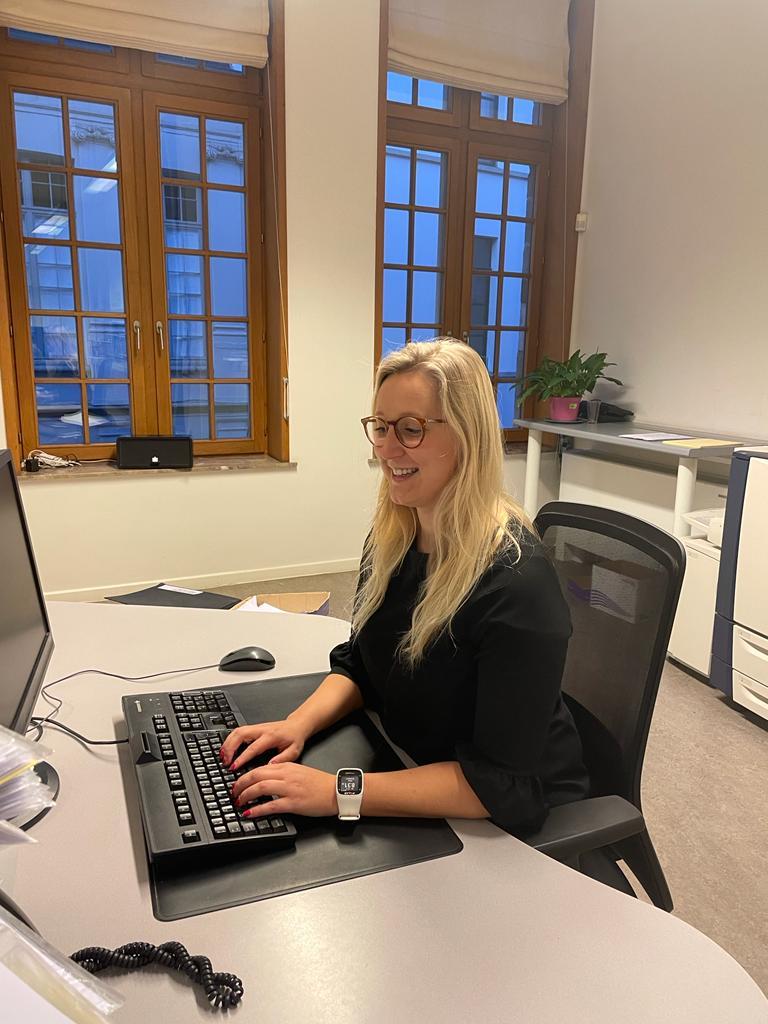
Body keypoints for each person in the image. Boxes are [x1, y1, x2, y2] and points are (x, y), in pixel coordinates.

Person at [221, 339, 588, 836]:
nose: (387, 449)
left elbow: (501, 785)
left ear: (467, 435)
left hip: (493, 819)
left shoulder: (516, 586)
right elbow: (362, 665)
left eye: (410, 429)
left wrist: (338, 791)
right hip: (406, 760)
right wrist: (296, 725)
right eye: (380, 426)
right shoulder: (394, 539)